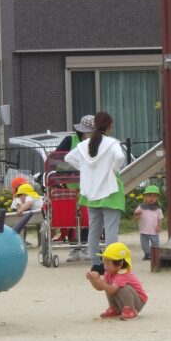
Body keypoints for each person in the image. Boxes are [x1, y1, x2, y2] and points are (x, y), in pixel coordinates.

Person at [65, 111, 126, 275]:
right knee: (111, 230)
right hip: (111, 190)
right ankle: (111, 263)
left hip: (91, 191)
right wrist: (113, 170)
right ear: (110, 126)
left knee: (94, 230)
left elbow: (68, 158)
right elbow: (120, 157)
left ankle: (95, 264)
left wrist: (85, 169)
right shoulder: (112, 143)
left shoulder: (84, 144)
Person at [86, 242, 148, 321]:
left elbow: (112, 290)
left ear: (120, 264)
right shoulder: (109, 272)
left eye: (108, 264)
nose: (105, 266)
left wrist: (98, 280)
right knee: (106, 285)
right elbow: (101, 287)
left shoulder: (123, 273)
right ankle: (115, 309)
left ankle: (130, 309)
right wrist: (93, 280)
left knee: (123, 287)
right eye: (104, 262)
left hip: (138, 302)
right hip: (123, 299)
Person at [134, 185, 164, 261]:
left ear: (157, 198)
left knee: (155, 244)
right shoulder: (141, 207)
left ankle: (155, 254)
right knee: (144, 244)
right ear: (145, 196)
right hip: (143, 231)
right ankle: (147, 254)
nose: (152, 198)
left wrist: (159, 226)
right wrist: (137, 216)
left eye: (154, 196)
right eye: (149, 195)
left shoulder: (158, 209)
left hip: (154, 231)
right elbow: (136, 217)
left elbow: (160, 219)